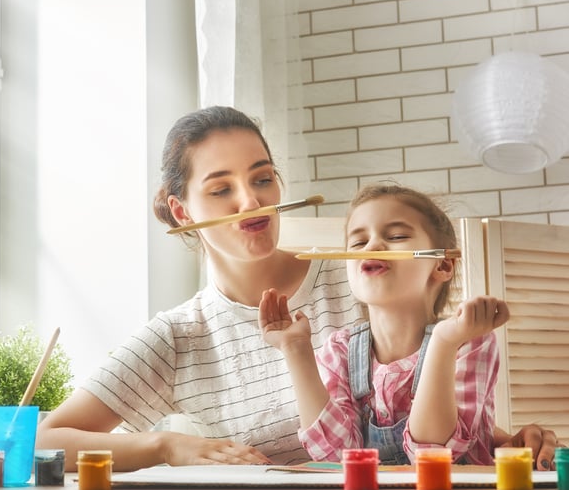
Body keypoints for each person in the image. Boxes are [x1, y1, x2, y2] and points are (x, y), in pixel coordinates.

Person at [36, 106, 563, 471]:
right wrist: (165, 446)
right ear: (181, 212)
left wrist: (507, 441)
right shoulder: (179, 337)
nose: (251, 202)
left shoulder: (363, 274)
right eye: (221, 189)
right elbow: (41, 441)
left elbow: (419, 404)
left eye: (262, 178)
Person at [260, 183, 508, 465]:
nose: (372, 246)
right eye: (357, 242)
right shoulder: (340, 351)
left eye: (397, 235)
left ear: (442, 264)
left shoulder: (469, 341)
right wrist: (296, 350)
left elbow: (434, 455)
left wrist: (443, 343)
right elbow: (339, 456)